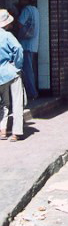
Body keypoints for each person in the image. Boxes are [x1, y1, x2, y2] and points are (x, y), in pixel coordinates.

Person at [0, 8, 24, 142]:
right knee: (17, 102)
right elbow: (18, 48)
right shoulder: (7, 35)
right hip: (11, 71)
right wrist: (17, 65)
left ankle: (2, 130)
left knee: (3, 104)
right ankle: (16, 132)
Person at [17, 0, 40, 101]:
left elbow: (20, 23)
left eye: (20, 0)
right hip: (33, 45)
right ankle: (33, 92)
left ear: (24, 0)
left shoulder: (26, 10)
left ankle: (32, 93)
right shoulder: (35, 10)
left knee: (27, 70)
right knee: (31, 69)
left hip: (25, 44)